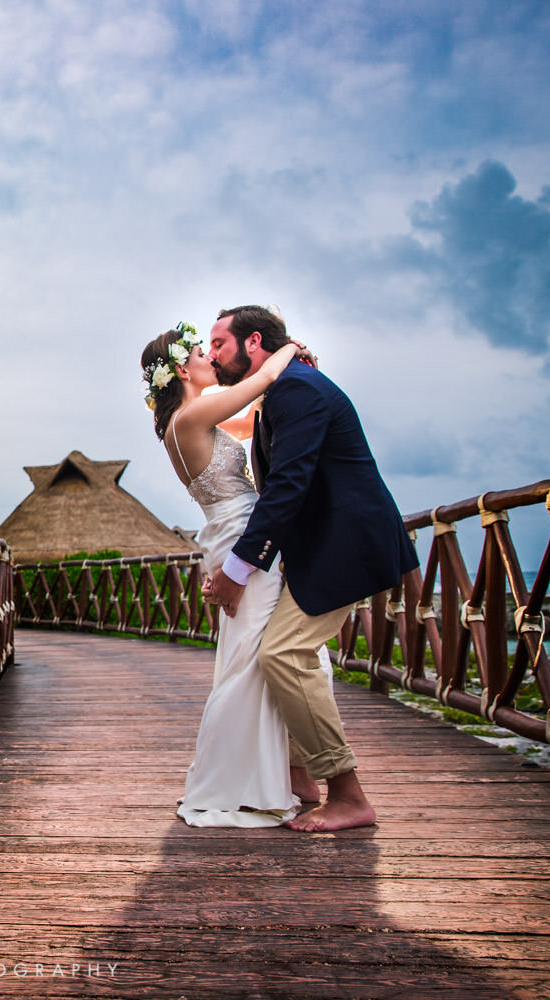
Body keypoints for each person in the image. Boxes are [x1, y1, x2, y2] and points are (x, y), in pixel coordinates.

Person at [203, 305, 419, 832]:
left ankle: (347, 793)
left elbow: (287, 489)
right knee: (275, 653)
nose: (211, 355)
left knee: (284, 652)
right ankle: (301, 777)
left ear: (254, 342)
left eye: (218, 344)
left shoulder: (297, 389)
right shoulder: (286, 385)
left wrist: (238, 570)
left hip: (346, 548)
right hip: (323, 548)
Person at [141, 321, 318, 827]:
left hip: (231, 532)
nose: (211, 358)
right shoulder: (192, 414)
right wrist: (286, 351)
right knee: (250, 661)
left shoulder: (188, 420)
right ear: (181, 369)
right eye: (202, 352)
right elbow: (256, 387)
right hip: (242, 536)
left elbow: (249, 418)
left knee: (249, 652)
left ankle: (290, 770)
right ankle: (235, 780)